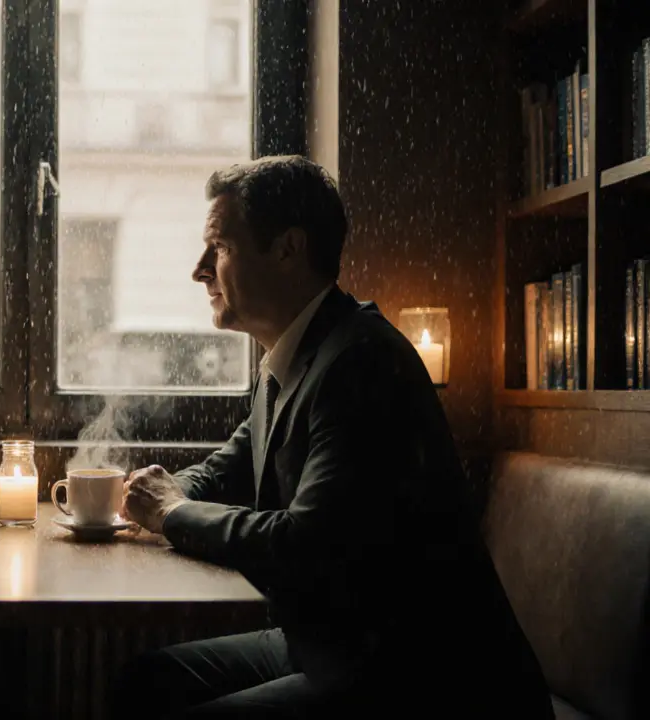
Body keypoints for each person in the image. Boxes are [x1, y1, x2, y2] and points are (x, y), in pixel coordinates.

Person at [116, 156, 554, 719]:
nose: (200, 270)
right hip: (332, 646)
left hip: (420, 674)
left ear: (289, 249)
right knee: (145, 682)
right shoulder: (292, 356)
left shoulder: (361, 363)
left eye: (219, 247)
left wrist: (172, 512)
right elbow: (231, 466)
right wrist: (149, 493)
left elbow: (304, 545)